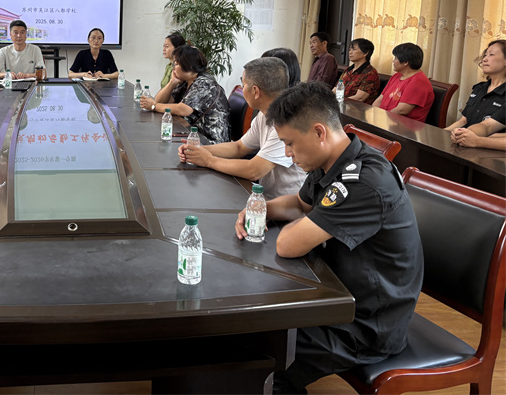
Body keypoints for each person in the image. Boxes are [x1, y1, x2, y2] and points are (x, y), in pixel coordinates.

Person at [235, 82, 423, 393]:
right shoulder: (334, 160)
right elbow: (300, 204)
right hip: (333, 296)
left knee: (260, 357)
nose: (287, 153)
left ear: (319, 132)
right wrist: (259, 208)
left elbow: (287, 245)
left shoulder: (364, 181)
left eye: (290, 143)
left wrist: (297, 225)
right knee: (250, 329)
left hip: (364, 325)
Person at [179, 57, 306, 197]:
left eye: (243, 84)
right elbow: (239, 147)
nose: (242, 89)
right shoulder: (264, 114)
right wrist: (198, 150)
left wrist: (209, 160)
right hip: (264, 196)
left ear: (255, 91)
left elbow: (255, 170)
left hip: (286, 203)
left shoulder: (286, 123)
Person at [140, 45, 230, 143]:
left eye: (176, 64)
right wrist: (172, 82)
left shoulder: (204, 83)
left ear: (188, 66)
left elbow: (183, 109)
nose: (173, 68)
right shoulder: (185, 81)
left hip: (210, 141)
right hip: (192, 133)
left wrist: (154, 106)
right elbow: (160, 101)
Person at [447, 39, 505, 141]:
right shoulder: (479, 88)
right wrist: (442, 133)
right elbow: (463, 121)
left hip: (487, 146)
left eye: (491, 55)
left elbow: (487, 127)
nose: (484, 59)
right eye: (485, 55)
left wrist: (463, 134)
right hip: (464, 140)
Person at [372, 43, 434, 122]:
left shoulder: (418, 81)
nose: (393, 61)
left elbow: (402, 110)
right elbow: (379, 100)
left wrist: (381, 120)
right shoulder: (396, 76)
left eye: (396, 58)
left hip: (403, 125)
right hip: (387, 119)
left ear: (405, 62)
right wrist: (373, 115)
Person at [334, 38, 380, 104]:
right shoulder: (348, 70)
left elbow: (359, 98)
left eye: (354, 49)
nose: (350, 52)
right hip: (340, 104)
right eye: (350, 49)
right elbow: (336, 89)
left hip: (357, 108)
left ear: (365, 53)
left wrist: (337, 102)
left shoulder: (370, 73)